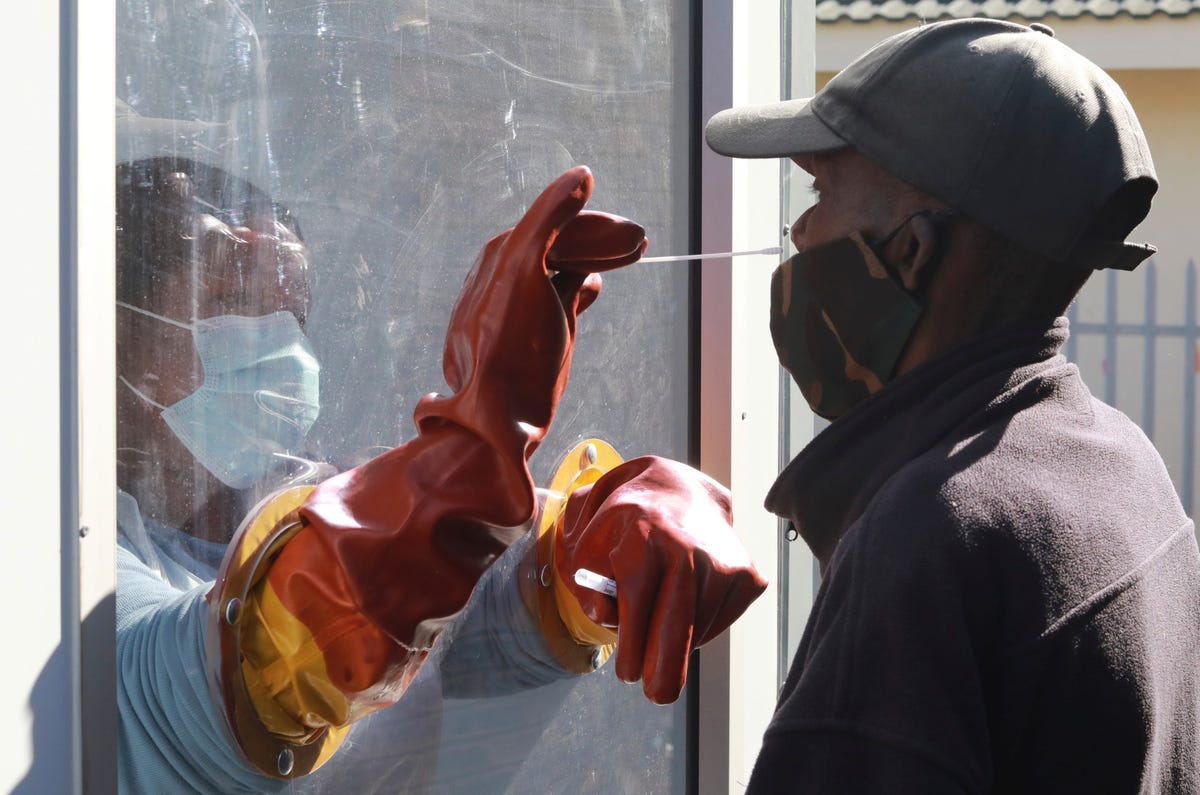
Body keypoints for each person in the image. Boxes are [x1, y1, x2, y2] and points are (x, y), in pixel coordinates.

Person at [114, 153, 767, 792]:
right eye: (231, 299)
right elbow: (234, 674)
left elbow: (499, 603)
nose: (280, 342)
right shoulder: (67, 570)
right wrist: (468, 455)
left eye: (293, 313)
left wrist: (600, 537)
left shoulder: (317, 496)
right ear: (116, 336)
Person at [704, 18, 1200, 793]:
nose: (798, 231)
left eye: (820, 191)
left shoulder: (928, 544)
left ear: (910, 251)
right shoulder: (1127, 465)